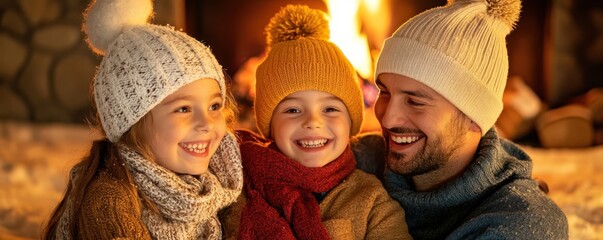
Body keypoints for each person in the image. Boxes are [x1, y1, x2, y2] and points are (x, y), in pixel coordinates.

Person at [357, 0, 569, 239]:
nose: (386, 118)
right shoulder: (359, 162)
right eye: (384, 92)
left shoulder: (524, 221)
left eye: (415, 101)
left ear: (473, 116)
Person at [43, 0, 243, 239]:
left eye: (214, 106)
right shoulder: (108, 201)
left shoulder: (223, 181)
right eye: (183, 109)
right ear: (133, 124)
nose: (207, 123)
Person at [220, 5, 411, 239]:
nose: (312, 121)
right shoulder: (239, 187)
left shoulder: (370, 200)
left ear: (351, 123)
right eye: (292, 110)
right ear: (269, 125)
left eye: (330, 108)